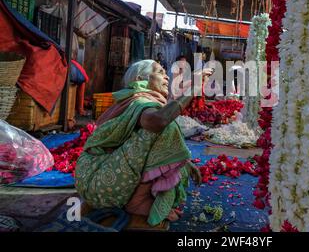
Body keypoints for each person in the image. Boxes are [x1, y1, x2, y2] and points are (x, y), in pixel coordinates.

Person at [75, 60, 212, 226]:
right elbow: (159, 121)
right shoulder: (139, 102)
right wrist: (193, 88)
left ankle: (138, 198)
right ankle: (139, 203)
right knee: (164, 129)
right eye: (160, 72)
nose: (166, 77)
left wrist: (186, 163)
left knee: (176, 158)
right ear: (141, 78)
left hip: (100, 179)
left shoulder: (139, 101)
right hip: (98, 183)